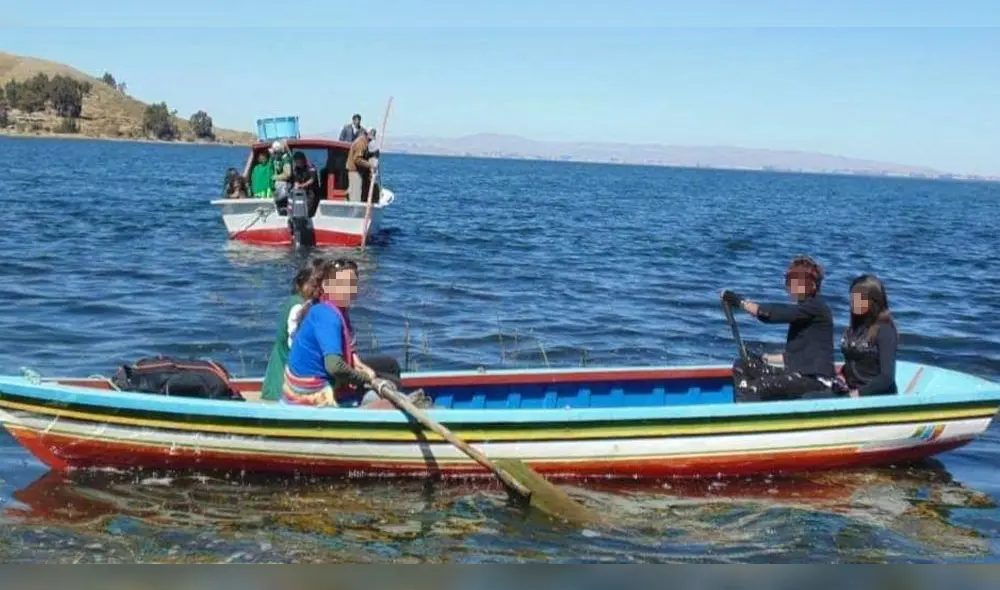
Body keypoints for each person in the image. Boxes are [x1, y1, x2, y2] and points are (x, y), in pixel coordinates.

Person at [283, 258, 423, 407]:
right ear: (326, 285)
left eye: (352, 284)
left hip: (318, 379)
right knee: (385, 394)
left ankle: (395, 398)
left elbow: (348, 351)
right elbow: (335, 367)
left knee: (390, 366)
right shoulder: (327, 315)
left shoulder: (335, 307)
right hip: (311, 392)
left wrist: (363, 368)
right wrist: (366, 379)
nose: (348, 290)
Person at [721, 255, 835, 402]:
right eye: (789, 281)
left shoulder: (816, 308)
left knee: (757, 387)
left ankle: (748, 411)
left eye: (796, 281)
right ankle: (744, 406)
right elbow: (794, 356)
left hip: (816, 380)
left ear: (812, 284)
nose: (790, 286)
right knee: (742, 365)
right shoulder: (803, 312)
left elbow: (774, 314)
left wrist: (740, 302)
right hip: (798, 373)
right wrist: (763, 358)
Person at [836, 274, 899, 397]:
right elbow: (855, 363)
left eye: (861, 299)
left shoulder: (885, 330)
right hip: (850, 390)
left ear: (875, 301)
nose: (855, 302)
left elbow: (886, 378)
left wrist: (858, 394)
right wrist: (841, 376)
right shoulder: (855, 328)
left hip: (874, 396)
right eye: (853, 298)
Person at [260, 265, 314, 401]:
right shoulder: (298, 305)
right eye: (312, 285)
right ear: (301, 284)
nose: (315, 289)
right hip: (286, 367)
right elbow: (292, 339)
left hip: (280, 358)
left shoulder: (294, 300)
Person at [346, 132, 373, 203]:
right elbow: (357, 159)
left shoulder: (363, 142)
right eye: (370, 139)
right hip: (355, 172)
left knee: (354, 192)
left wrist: (372, 154)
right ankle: (354, 208)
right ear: (366, 135)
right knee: (355, 196)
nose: (370, 141)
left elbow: (363, 155)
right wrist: (370, 165)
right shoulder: (360, 143)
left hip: (356, 171)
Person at [270, 140, 293, 209]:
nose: (273, 154)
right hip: (277, 189)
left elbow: (287, 174)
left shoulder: (285, 159)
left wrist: (274, 177)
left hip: (285, 188)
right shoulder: (274, 159)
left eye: (275, 153)